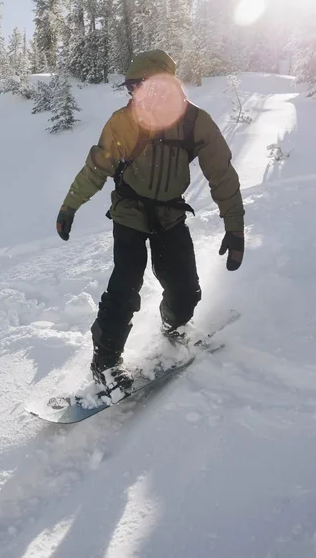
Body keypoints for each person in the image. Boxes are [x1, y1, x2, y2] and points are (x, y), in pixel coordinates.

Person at [55, 49, 245, 394]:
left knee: (185, 289)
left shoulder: (194, 121)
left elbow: (221, 173)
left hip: (170, 215)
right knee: (124, 287)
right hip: (129, 214)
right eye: (131, 88)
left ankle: (174, 324)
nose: (136, 95)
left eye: (141, 86)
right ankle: (106, 363)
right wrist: (70, 206)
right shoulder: (123, 121)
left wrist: (235, 227)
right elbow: (97, 168)